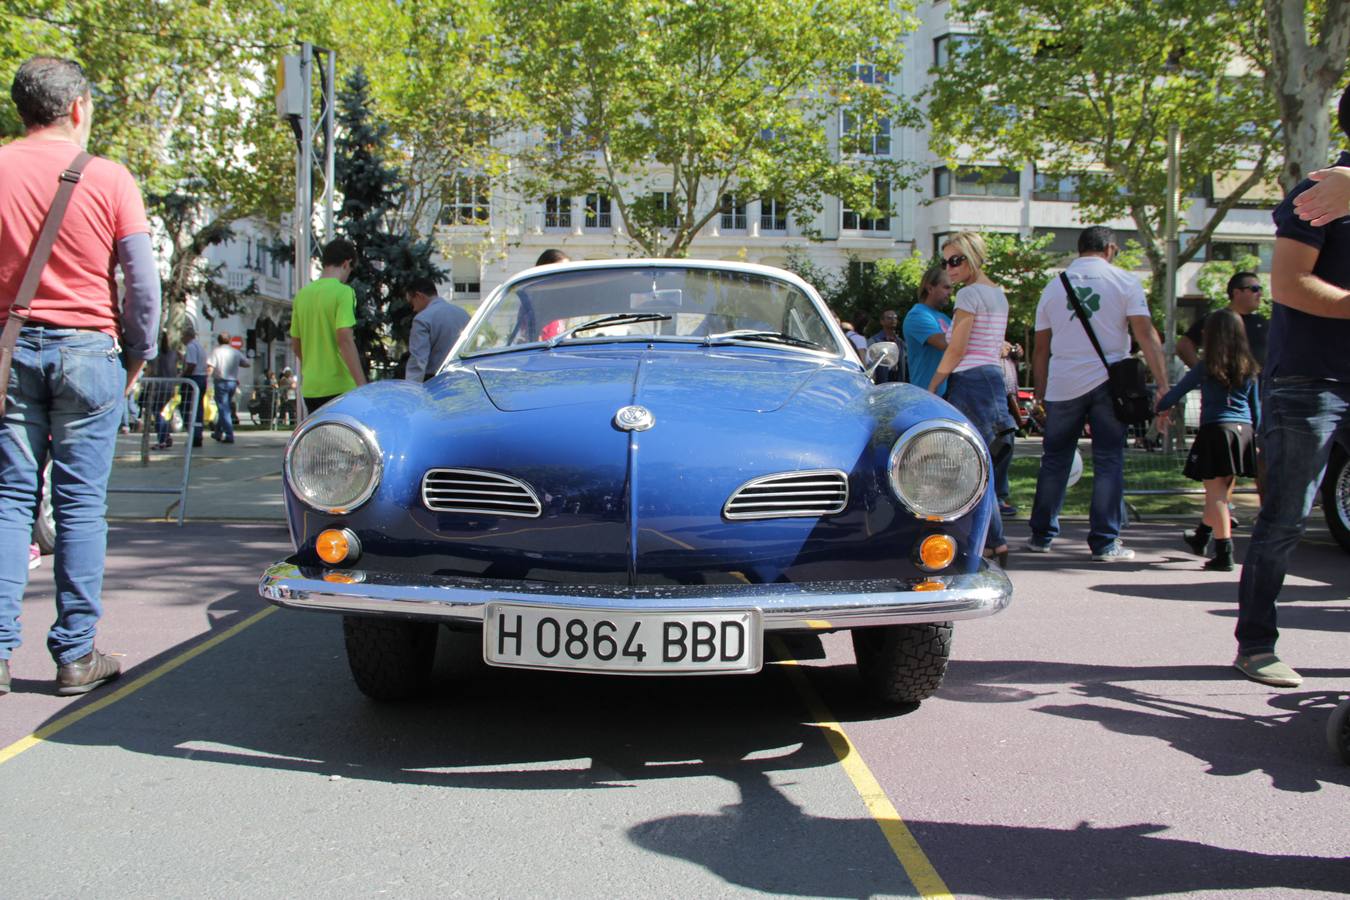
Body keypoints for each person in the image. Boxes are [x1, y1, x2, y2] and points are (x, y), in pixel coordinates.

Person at [0, 57, 161, 696]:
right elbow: (142, 285)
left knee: (10, 503)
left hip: (10, 354)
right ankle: (75, 655)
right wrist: (139, 352)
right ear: (78, 108)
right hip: (89, 352)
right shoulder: (110, 178)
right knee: (80, 507)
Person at [1233, 84, 1350, 689]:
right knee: (1286, 517)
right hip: (1312, 381)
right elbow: (1290, 284)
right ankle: (1256, 643)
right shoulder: (1321, 193)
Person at [1026, 226, 1170, 561]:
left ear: (1079, 249)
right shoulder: (1125, 282)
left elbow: (1041, 349)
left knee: (1054, 461)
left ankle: (1041, 535)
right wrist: (1162, 383)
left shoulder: (1053, 286)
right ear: (1110, 248)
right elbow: (1145, 334)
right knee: (1108, 461)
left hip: (1063, 383)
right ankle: (1105, 542)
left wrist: (1040, 392)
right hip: (1109, 383)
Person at [925, 232, 1016, 565]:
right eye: (945, 261)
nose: (949, 268)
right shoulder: (997, 294)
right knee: (984, 466)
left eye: (956, 260)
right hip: (993, 379)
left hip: (971, 381)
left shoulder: (969, 295)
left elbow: (958, 348)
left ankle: (992, 541)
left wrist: (935, 383)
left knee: (970, 466)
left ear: (973, 256)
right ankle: (994, 541)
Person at [1155, 310, 1260, 572]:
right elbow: (1256, 408)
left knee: (1216, 495)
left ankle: (1225, 552)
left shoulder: (1206, 367)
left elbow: (1178, 391)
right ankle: (1202, 535)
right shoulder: (1250, 367)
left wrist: (1159, 408)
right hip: (1243, 431)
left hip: (1216, 430)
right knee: (1221, 491)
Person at [290, 238, 367, 413]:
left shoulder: (302, 295)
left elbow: (296, 344)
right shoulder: (344, 292)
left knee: (320, 439)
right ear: (347, 263)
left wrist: (312, 367)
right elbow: (344, 339)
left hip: (311, 388)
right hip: (340, 387)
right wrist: (362, 385)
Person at [1176, 271, 1268, 368]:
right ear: (1236, 292)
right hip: (1225, 381)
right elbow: (1184, 346)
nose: (1260, 294)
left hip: (1259, 381)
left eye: (1260, 289)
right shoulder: (1216, 319)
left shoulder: (1262, 322)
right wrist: (1201, 373)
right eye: (1255, 289)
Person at [404, 277, 470, 383]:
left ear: (418, 296)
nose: (414, 309)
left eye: (412, 303)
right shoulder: (463, 314)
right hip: (464, 379)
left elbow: (418, 360)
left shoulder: (422, 319)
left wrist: (411, 389)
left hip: (435, 382)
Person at [903, 265, 953, 397]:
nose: (951, 292)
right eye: (946, 287)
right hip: (927, 396)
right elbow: (944, 343)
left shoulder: (945, 318)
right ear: (930, 288)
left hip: (948, 395)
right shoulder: (917, 315)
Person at [996, 341, 1024, 517]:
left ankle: (999, 496)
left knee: (1006, 444)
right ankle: (996, 497)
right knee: (1000, 446)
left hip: (1007, 398)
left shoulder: (1001, 338)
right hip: (993, 396)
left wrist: (1015, 352)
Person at [207, 334, 249, 443]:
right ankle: (218, 432)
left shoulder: (216, 352)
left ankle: (229, 434)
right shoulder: (235, 352)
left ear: (218, 340)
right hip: (232, 382)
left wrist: (207, 379)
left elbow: (210, 367)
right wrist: (236, 365)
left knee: (223, 408)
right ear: (229, 340)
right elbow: (247, 363)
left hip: (221, 381)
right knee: (225, 407)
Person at [148, 331, 178, 449]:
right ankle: (166, 436)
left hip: (158, 387)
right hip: (170, 386)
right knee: (165, 412)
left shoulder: (155, 354)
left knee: (158, 413)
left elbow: (151, 371)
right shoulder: (173, 354)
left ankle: (162, 439)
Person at [180, 324, 206, 447]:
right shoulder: (199, 346)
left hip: (193, 378)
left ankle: (193, 433)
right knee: (198, 408)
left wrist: (183, 376)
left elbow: (191, 364)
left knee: (186, 408)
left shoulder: (191, 346)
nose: (181, 339)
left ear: (187, 336)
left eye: (182, 336)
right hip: (202, 378)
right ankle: (197, 434)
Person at [868, 309, 906, 383]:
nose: (893, 320)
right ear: (882, 321)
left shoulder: (900, 342)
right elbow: (869, 363)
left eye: (895, 318)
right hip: (881, 382)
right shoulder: (875, 341)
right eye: (889, 318)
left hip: (898, 381)